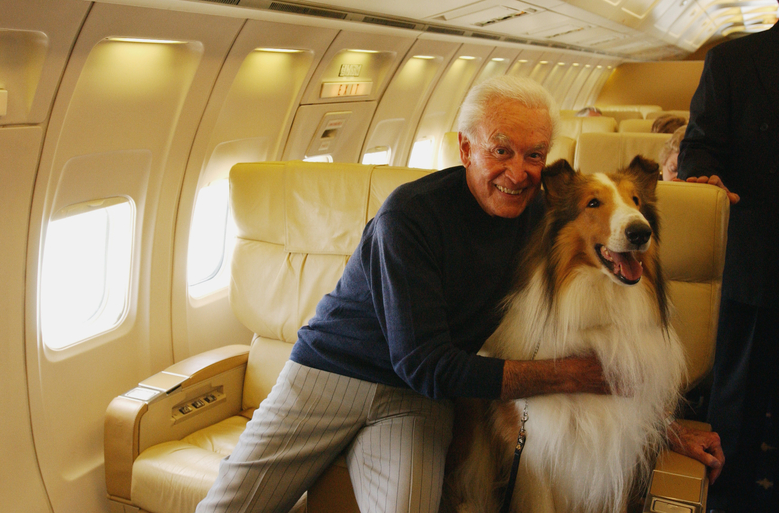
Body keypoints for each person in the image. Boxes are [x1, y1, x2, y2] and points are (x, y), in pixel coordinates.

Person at [196, 76, 722, 513]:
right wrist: (575, 374)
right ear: (465, 148)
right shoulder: (410, 216)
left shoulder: (545, 224)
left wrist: (660, 423)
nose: (518, 172)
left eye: (534, 155)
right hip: (328, 376)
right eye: (502, 151)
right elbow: (425, 362)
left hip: (414, 404)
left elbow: (587, 335)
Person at [677, 0, 778, 511]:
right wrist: (701, 176)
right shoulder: (734, 61)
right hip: (756, 255)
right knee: (739, 400)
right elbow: (700, 145)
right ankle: (728, 500)